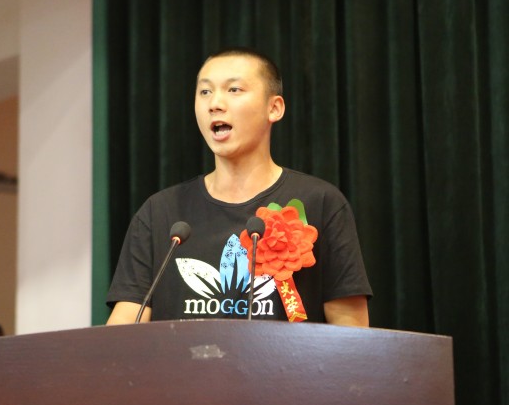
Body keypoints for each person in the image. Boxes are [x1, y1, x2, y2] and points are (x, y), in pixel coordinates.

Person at [106, 48, 372, 326]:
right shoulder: (160, 212)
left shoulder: (321, 202)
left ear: (274, 108)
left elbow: (350, 331)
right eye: (205, 92)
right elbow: (124, 328)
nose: (214, 104)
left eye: (233, 90)